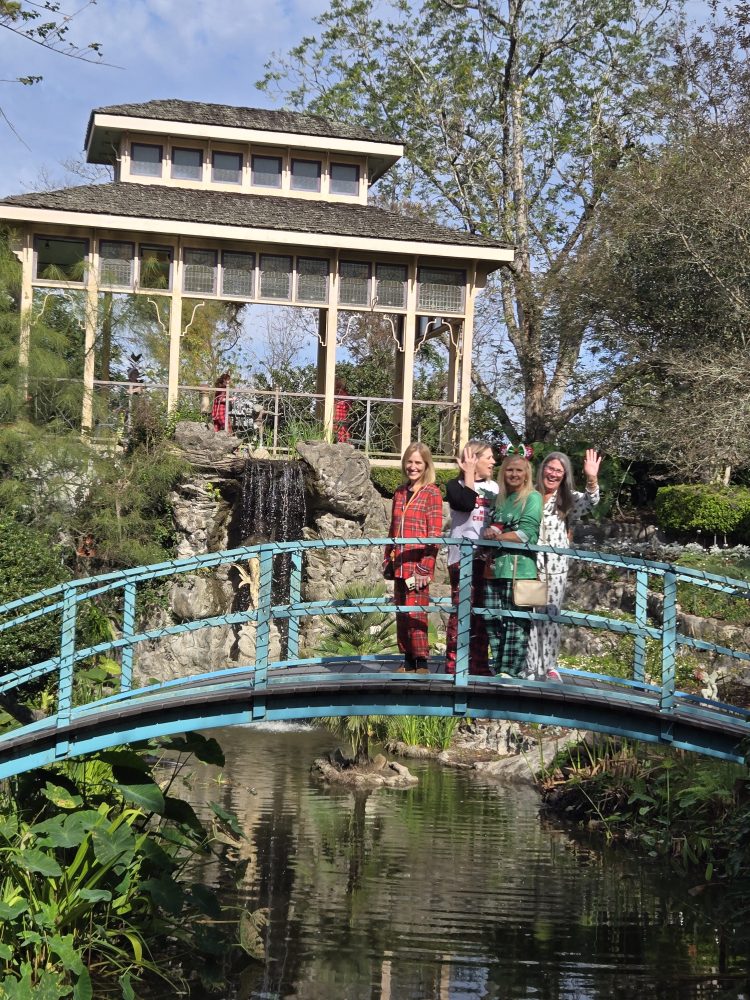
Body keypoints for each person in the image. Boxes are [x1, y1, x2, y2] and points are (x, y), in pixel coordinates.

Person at [526, 449, 602, 681]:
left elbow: (591, 501)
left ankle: (549, 666)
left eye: (559, 471)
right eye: (550, 468)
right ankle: (530, 667)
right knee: (529, 614)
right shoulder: (530, 495)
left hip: (556, 566)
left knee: (551, 615)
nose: (553, 473)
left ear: (564, 475)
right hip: (531, 564)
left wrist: (592, 477)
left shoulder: (568, 499)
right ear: (543, 469)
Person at [383, 442, 444, 673]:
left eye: (418, 462)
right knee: (401, 613)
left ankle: (421, 661)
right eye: (409, 461)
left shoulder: (432, 493)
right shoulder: (399, 492)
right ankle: (407, 658)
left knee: (416, 611)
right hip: (399, 562)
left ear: (426, 465)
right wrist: (386, 557)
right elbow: (393, 528)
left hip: (417, 565)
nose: (413, 466)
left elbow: (435, 535)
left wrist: (424, 568)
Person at [483, 445, 542, 677]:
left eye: (519, 470)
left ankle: (511, 670)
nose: (514, 475)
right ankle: (498, 667)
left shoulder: (533, 497)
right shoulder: (500, 499)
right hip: (494, 568)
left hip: (522, 570)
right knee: (492, 619)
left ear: (526, 473)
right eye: (509, 470)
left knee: (517, 624)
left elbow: (527, 534)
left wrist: (497, 535)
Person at [444, 440, 498, 675]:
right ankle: (456, 665)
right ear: (473, 459)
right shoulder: (454, 485)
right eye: (488, 457)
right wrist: (468, 476)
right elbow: (465, 504)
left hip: (486, 560)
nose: (493, 461)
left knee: (482, 614)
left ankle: (478, 665)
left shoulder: (495, 488)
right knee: (461, 612)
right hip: (461, 559)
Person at [333, 378, 351, 443]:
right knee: (342, 431)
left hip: (336, 416)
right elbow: (349, 406)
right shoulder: (345, 394)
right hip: (342, 416)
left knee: (336, 429)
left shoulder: (335, 393)